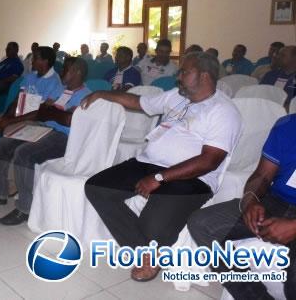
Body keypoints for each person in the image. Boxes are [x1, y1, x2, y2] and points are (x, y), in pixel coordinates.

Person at [83, 51, 242, 282]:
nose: (178, 76)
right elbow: (138, 102)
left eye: (185, 71)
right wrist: (101, 94)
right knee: (97, 188)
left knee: (152, 227)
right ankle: (146, 252)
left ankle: (149, 248)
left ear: (205, 76)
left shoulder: (224, 111)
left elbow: (209, 161)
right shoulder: (176, 96)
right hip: (148, 163)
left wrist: (159, 178)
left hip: (193, 178)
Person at [188, 114, 296, 300]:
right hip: (277, 201)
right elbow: (262, 176)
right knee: (202, 224)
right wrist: (250, 201)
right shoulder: (287, 126)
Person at [0, 57, 90, 225]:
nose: (62, 71)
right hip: (44, 128)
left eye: (66, 69)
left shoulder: (86, 96)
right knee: (4, 143)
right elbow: (41, 111)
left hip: (64, 138)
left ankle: (25, 208)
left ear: (77, 72)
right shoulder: (62, 90)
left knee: (24, 154)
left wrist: (51, 112)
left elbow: (68, 121)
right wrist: (54, 112)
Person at [0, 46, 63, 179]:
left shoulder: (55, 82)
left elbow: (39, 113)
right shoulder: (30, 77)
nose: (31, 61)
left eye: (35, 58)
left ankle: (10, 179)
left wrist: (8, 122)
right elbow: (17, 100)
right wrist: (4, 118)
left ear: (45, 61)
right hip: (18, 115)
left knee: (11, 130)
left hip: (35, 122)